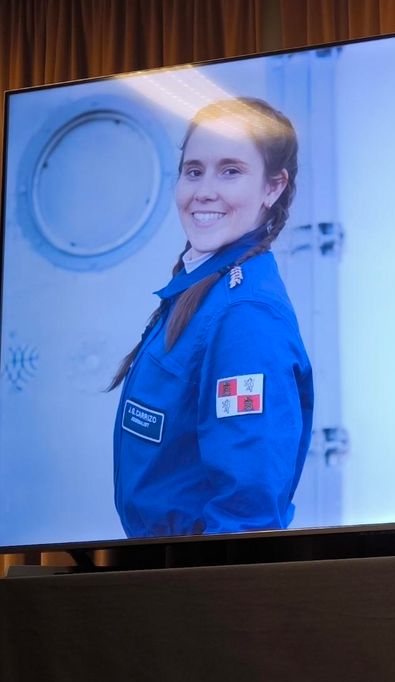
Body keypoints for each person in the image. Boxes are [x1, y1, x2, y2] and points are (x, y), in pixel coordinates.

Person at [109, 97, 314, 538]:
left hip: (189, 586)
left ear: (273, 187)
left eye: (231, 171)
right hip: (160, 575)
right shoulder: (204, 284)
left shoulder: (245, 316)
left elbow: (248, 511)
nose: (204, 190)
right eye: (194, 170)